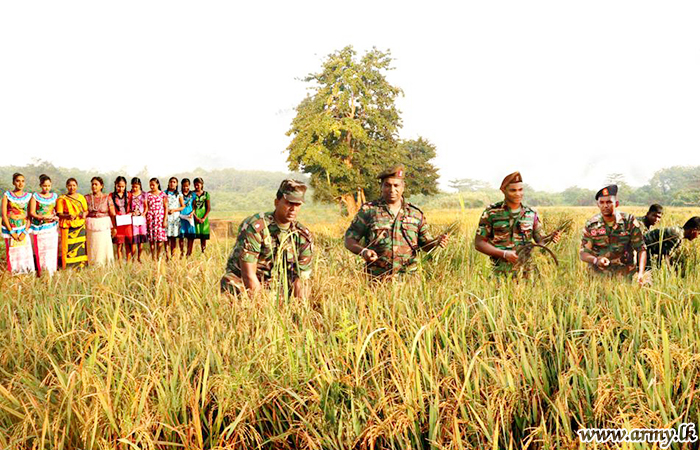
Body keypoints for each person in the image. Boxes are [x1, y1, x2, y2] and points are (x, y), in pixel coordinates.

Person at [344, 165, 448, 278]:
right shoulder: (369, 211)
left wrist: (437, 242)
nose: (392, 190)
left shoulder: (415, 214)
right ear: (382, 187)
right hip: (376, 280)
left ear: (403, 187)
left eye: (396, 185)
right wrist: (364, 251)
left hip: (409, 281)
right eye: (388, 185)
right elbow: (349, 240)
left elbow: (425, 245)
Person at [221, 179, 313, 298]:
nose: (293, 209)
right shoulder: (256, 227)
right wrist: (264, 310)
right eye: (289, 203)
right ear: (277, 202)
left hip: (277, 285)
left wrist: (301, 310)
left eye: (298, 205)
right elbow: (248, 275)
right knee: (234, 286)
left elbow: (301, 279)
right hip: (247, 282)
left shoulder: (303, 236)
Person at [474, 171, 560, 276]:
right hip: (499, 273)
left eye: (520, 190)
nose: (518, 194)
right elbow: (479, 243)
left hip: (527, 273)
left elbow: (540, 241)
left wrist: (550, 237)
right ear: (503, 190)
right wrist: (504, 254)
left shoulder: (531, 214)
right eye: (513, 190)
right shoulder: (491, 212)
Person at [579, 184, 647, 283]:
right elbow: (583, 253)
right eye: (601, 202)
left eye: (609, 202)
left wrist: (641, 273)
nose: (605, 206)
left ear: (616, 203)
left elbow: (641, 249)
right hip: (598, 277)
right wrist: (596, 260)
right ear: (598, 205)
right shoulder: (591, 225)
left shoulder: (628, 221)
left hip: (625, 275)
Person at [1, 173, 35, 274]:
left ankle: (26, 274)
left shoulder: (29, 197)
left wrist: (25, 232)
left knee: (24, 252)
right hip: (10, 229)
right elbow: (4, 215)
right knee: (12, 253)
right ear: (13, 182)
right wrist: (11, 232)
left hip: (23, 228)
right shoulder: (7, 195)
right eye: (18, 181)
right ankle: (13, 275)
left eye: (22, 181)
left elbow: (30, 216)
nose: (20, 183)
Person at [29, 174, 59, 276]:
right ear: (40, 185)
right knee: (42, 250)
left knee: (52, 250)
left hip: (51, 227)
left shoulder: (54, 196)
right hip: (40, 227)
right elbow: (32, 212)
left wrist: (55, 217)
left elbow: (56, 211)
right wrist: (42, 217)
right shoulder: (35, 197)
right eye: (45, 186)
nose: (47, 188)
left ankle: (52, 272)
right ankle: (42, 272)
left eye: (49, 186)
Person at [56, 178, 88, 269]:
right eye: (70, 185)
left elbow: (86, 211)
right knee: (67, 247)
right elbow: (59, 213)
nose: (72, 187)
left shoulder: (81, 198)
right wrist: (68, 216)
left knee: (80, 247)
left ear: (77, 186)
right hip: (68, 225)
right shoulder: (62, 199)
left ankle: (80, 267)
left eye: (74, 185)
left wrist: (83, 214)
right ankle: (68, 268)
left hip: (80, 225)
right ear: (66, 186)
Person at [85, 176, 115, 266]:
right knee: (93, 245)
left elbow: (112, 213)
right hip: (91, 224)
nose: (94, 186)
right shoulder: (86, 198)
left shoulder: (107, 197)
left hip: (103, 224)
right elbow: (84, 211)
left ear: (101, 186)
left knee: (103, 245)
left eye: (96, 184)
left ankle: (105, 265)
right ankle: (92, 265)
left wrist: (114, 227)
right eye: (92, 184)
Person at [109, 176, 133, 262]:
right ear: (115, 185)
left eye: (123, 186)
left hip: (127, 221)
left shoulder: (129, 195)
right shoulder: (111, 196)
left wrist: (131, 213)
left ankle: (128, 262)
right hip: (117, 221)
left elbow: (132, 207)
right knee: (119, 244)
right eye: (118, 186)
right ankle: (120, 263)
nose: (120, 188)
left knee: (128, 243)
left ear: (126, 185)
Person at [146, 177, 168, 259]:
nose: (151, 187)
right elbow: (146, 207)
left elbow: (166, 208)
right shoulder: (147, 194)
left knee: (160, 240)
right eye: (150, 185)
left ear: (157, 184)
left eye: (153, 185)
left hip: (160, 219)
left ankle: (159, 255)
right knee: (152, 240)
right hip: (151, 218)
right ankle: (153, 257)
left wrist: (165, 220)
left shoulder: (163, 195)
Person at [129, 177, 148, 263]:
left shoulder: (144, 194)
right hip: (133, 219)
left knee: (141, 239)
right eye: (133, 187)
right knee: (134, 239)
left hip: (141, 219)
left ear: (140, 185)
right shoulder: (129, 195)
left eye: (136, 186)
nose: (134, 188)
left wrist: (144, 213)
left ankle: (139, 257)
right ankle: (133, 258)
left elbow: (146, 206)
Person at [165, 177, 185, 259]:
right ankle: (166, 255)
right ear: (168, 183)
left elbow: (183, 206)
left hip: (175, 218)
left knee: (173, 238)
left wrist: (174, 210)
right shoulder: (164, 193)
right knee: (166, 238)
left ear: (176, 184)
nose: (172, 183)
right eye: (171, 182)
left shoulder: (179, 194)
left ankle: (173, 256)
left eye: (174, 182)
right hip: (166, 217)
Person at [193, 177, 211, 254]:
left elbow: (208, 207)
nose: (197, 186)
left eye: (198, 184)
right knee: (192, 236)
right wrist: (195, 217)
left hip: (204, 217)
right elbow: (191, 207)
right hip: (194, 217)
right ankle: (190, 252)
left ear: (202, 185)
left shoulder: (206, 194)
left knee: (203, 237)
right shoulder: (192, 194)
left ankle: (203, 252)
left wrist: (204, 218)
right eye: (195, 185)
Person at [179, 178, 196, 257]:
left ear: (189, 185)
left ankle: (189, 252)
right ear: (181, 186)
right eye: (184, 186)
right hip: (181, 216)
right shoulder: (179, 194)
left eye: (187, 186)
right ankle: (182, 252)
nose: (185, 188)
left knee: (190, 236)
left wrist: (192, 212)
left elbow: (194, 206)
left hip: (190, 216)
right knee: (181, 235)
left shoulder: (192, 194)